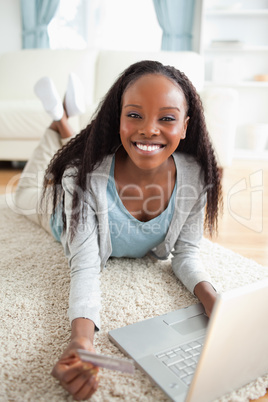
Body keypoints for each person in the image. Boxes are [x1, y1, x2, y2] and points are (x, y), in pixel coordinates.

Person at [15, 60, 222, 400]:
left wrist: (212, 298)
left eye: (166, 118)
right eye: (135, 115)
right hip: (61, 215)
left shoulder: (195, 177)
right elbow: (85, 264)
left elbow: (186, 252)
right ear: (119, 119)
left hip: (91, 169)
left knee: (77, 161)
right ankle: (57, 120)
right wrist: (81, 339)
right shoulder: (78, 179)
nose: (149, 129)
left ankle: (64, 119)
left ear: (185, 126)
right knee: (24, 193)